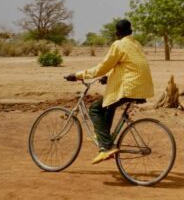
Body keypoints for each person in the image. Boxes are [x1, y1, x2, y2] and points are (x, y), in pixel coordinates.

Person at [65, 19, 154, 164]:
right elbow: (126, 65)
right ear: (130, 32)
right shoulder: (136, 44)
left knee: (94, 109)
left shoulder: (118, 44)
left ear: (117, 33)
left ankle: (106, 147)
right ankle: (104, 136)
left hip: (129, 87)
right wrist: (108, 77)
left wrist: (77, 75)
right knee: (108, 103)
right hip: (144, 86)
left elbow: (102, 67)